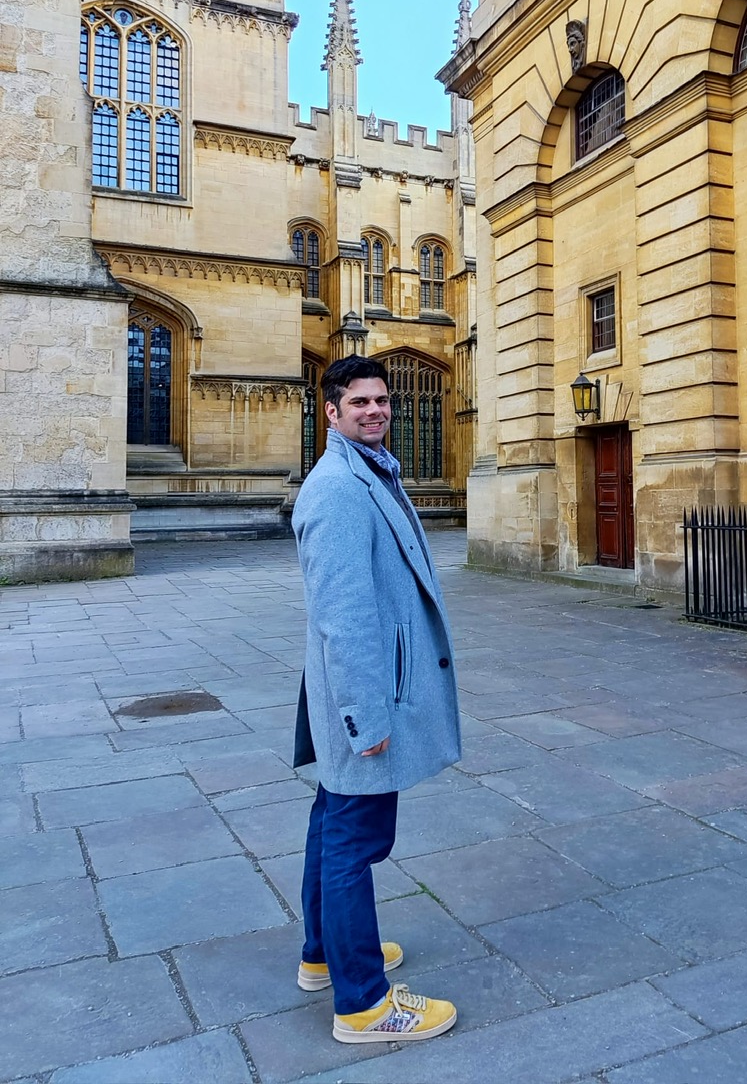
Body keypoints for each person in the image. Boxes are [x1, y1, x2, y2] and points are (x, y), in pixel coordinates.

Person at [291, 355, 462, 1044]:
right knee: (354, 840)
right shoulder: (336, 489)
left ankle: (323, 954)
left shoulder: (367, 472)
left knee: (334, 822)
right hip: (364, 699)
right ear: (330, 412)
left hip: (364, 693)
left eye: (382, 400)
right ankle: (363, 1004)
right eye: (358, 402)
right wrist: (366, 718)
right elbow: (345, 618)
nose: (375, 411)